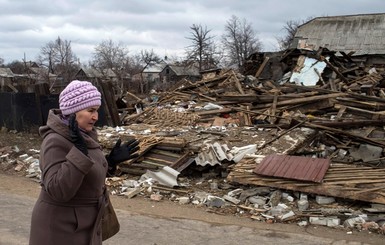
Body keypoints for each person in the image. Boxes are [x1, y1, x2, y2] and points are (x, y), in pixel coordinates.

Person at [29, 80, 139, 245]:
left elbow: (84, 175)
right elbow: (57, 190)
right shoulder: (55, 141)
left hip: (85, 223)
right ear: (73, 112)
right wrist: (79, 152)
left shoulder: (84, 135)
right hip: (60, 229)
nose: (96, 117)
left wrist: (110, 162)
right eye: (91, 110)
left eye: (97, 110)